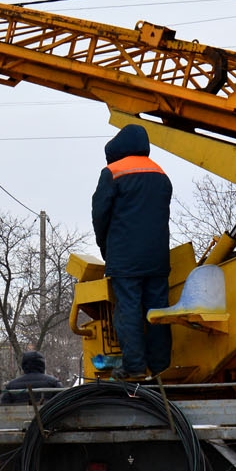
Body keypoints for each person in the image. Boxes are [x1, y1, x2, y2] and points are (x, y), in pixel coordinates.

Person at [91, 123, 173, 380]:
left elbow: (100, 215)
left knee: (128, 309)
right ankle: (161, 367)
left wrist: (104, 247)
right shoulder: (160, 173)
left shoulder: (112, 172)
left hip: (126, 258)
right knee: (158, 311)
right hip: (158, 257)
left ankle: (135, 367)